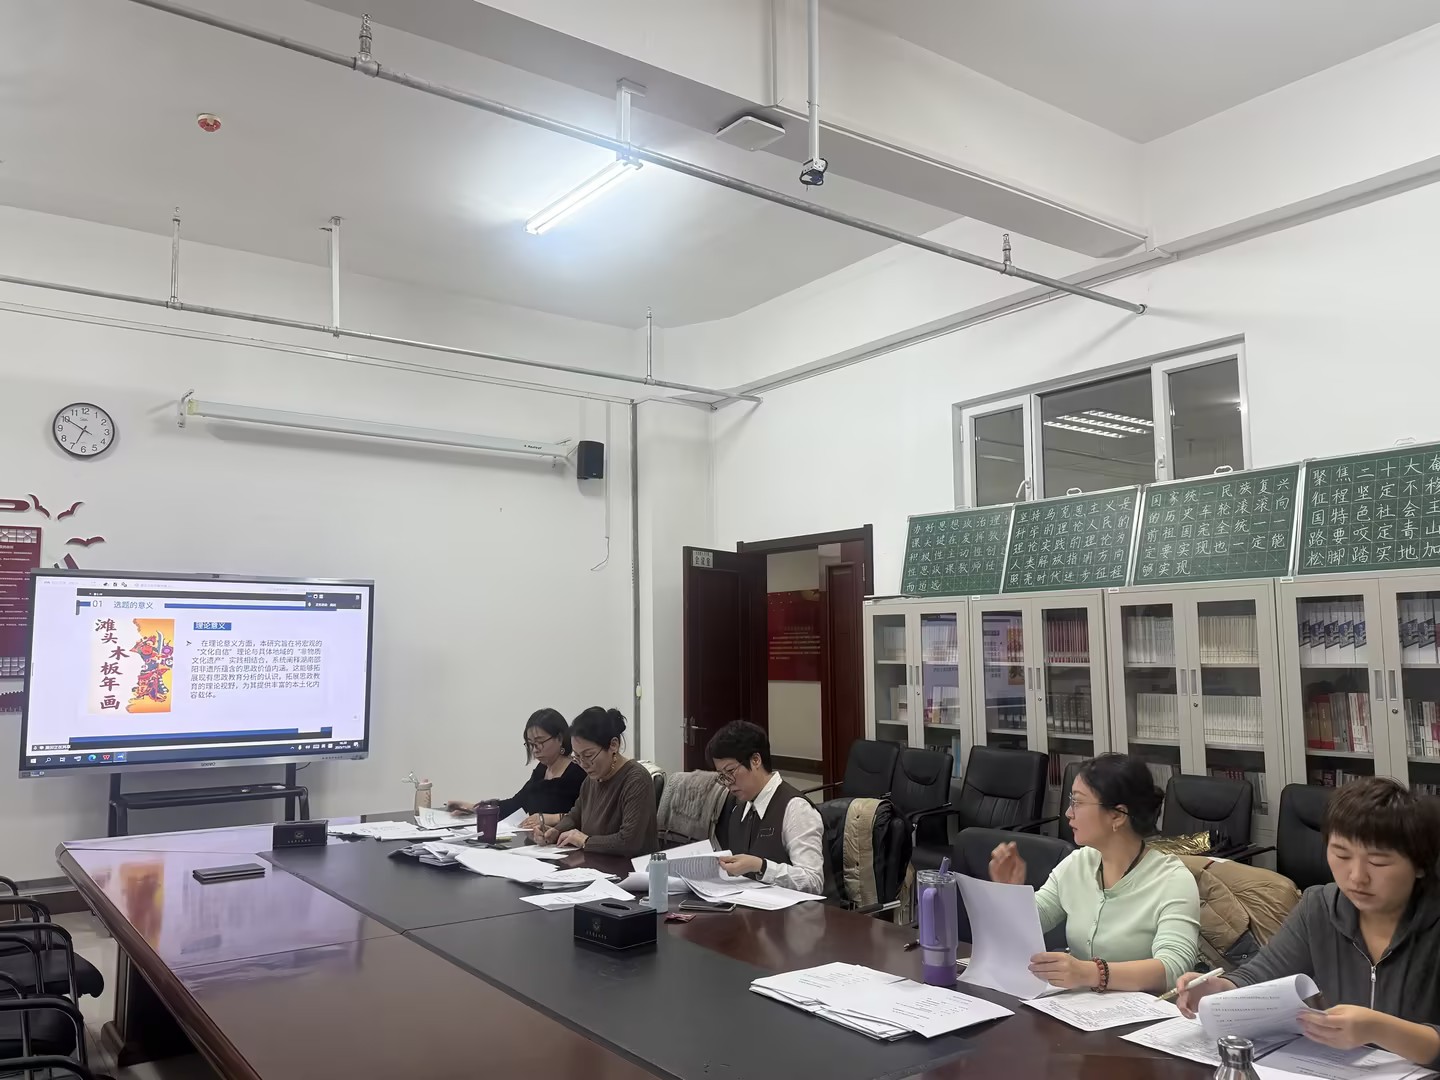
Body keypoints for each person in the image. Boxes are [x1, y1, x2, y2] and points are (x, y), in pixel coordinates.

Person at [1176, 777, 1440, 1068]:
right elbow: (1259, 976)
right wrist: (1219, 989)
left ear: (1420, 864)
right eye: (1341, 854)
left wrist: (1379, 1029)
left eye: (1378, 862)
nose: (1356, 877)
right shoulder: (1320, 908)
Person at [989, 753, 1199, 993]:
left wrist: (1090, 973)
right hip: (1078, 1007)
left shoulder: (1172, 880)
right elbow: (1034, 921)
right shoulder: (1077, 863)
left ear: (1117, 815)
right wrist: (1011, 893)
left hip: (1142, 1011)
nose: (1068, 813)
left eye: (1078, 802)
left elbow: (1174, 968)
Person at [706, 720, 824, 894]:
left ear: (756, 760)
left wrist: (761, 866)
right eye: (721, 776)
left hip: (797, 909)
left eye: (730, 771)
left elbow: (813, 881)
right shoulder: (737, 808)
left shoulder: (795, 808)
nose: (728, 783)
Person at [543, 707, 658, 858]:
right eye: (577, 757)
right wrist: (555, 831)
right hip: (595, 863)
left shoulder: (636, 779)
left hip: (629, 868)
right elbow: (576, 815)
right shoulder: (591, 780)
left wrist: (585, 841)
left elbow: (629, 842)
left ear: (613, 745)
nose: (583, 764)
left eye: (588, 755)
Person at [446, 708, 584, 832]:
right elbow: (516, 804)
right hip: (538, 843)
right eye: (531, 744)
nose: (535, 750)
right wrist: (476, 808)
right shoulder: (541, 770)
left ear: (559, 738)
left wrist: (552, 818)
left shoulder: (578, 773)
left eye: (540, 742)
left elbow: (585, 817)